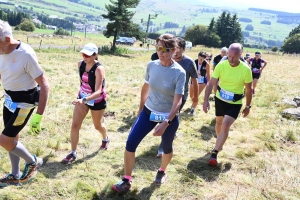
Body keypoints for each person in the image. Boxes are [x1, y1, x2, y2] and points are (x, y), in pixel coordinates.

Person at [112, 34, 185, 193]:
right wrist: (140, 110)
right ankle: (126, 180)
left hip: (168, 116)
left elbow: (178, 102)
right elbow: (145, 88)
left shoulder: (179, 72)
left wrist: (166, 122)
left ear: (173, 50)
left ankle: (162, 171)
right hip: (148, 111)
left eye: (165, 50)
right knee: (130, 143)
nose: (161, 52)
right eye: (158, 48)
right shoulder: (151, 65)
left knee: (166, 146)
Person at [0, 20, 50, 187]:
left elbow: (44, 84)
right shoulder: (2, 51)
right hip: (9, 100)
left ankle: (32, 161)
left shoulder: (26, 55)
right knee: (12, 138)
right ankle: (15, 175)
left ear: (7, 39)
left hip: (24, 103)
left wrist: (39, 116)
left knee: (4, 140)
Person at [203, 43, 252, 167]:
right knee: (219, 123)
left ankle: (214, 153)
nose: (231, 59)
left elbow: (249, 89)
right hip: (220, 99)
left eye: (234, 57)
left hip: (235, 103)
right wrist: (205, 100)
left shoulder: (246, 69)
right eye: (229, 56)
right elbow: (211, 83)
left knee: (225, 125)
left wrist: (247, 106)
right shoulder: (221, 65)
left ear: (240, 55)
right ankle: (220, 143)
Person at [62, 43, 108, 164]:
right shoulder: (80, 64)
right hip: (82, 98)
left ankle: (105, 138)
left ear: (95, 55)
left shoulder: (99, 69)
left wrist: (84, 99)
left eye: (88, 54)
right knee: (75, 125)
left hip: (97, 101)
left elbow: (98, 91)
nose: (85, 57)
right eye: (83, 54)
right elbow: (82, 82)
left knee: (97, 126)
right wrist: (81, 97)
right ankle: (73, 153)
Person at [156, 37, 198, 157]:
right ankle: (171, 134)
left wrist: (195, 97)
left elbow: (194, 80)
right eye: (176, 48)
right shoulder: (167, 59)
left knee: (169, 119)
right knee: (165, 118)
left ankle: (162, 147)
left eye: (179, 49)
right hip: (166, 94)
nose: (177, 52)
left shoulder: (189, 62)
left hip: (181, 96)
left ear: (183, 49)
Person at [189, 51, 210, 115]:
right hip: (194, 79)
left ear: (204, 58)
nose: (201, 59)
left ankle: (192, 109)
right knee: (191, 96)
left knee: (196, 95)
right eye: (200, 58)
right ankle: (194, 103)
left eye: (202, 58)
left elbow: (208, 74)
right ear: (198, 57)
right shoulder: (194, 62)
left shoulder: (207, 64)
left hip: (202, 81)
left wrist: (209, 83)